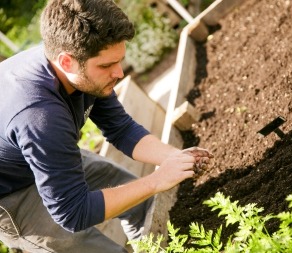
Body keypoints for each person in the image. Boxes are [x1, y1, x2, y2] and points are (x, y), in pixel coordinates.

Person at [0, 0, 213, 252]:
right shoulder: (39, 116)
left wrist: (174, 157)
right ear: (66, 62)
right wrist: (157, 180)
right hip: (11, 194)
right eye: (106, 65)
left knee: (141, 203)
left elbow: (121, 129)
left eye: (119, 60)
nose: (119, 73)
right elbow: (73, 213)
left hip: (42, 156)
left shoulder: (74, 58)